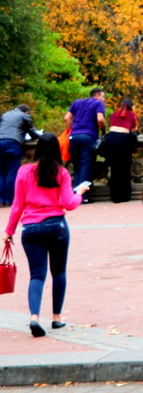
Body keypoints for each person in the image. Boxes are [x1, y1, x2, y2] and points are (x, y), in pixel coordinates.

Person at [4, 132, 85, 337]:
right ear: (57, 150)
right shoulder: (61, 173)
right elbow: (68, 203)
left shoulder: (24, 172)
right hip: (56, 226)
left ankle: (34, 317)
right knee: (58, 272)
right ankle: (56, 318)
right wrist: (79, 194)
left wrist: (9, 230)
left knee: (37, 275)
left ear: (37, 149)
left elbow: (17, 205)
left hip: (31, 229)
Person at [64, 87, 107, 195]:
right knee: (86, 166)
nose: (104, 100)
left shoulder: (76, 103)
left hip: (73, 137)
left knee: (76, 166)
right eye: (103, 97)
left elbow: (66, 118)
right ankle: (83, 196)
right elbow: (100, 119)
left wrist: (69, 130)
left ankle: (74, 194)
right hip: (88, 136)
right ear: (96, 96)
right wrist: (103, 131)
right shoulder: (98, 103)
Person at [0, 104, 38, 207]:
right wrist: (41, 135)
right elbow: (33, 133)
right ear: (26, 112)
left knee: (1, 173)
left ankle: (1, 200)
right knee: (12, 172)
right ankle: (10, 200)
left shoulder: (5, 114)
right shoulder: (24, 116)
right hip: (13, 143)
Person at [100, 98, 138, 203]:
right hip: (123, 141)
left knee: (115, 169)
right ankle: (125, 195)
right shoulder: (131, 115)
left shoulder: (114, 114)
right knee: (124, 169)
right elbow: (133, 130)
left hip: (111, 140)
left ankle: (115, 197)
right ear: (131, 106)